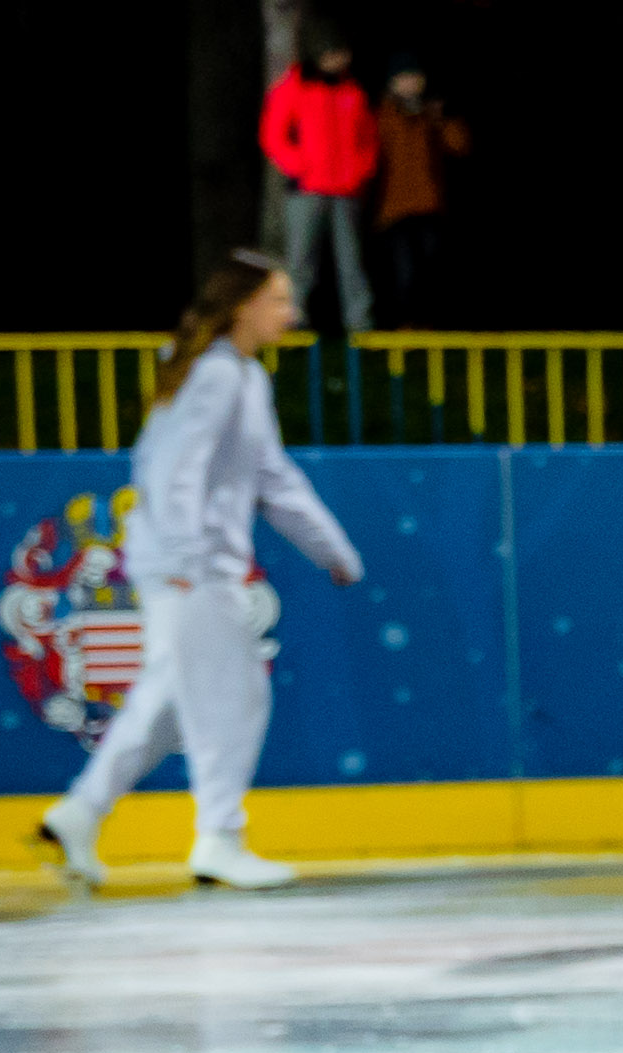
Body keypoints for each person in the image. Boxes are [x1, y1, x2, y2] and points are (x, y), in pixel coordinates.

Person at [35, 253, 369, 895]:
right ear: (244, 306)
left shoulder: (237, 376)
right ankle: (219, 837)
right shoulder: (217, 377)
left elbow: (273, 479)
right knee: (233, 696)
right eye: (279, 299)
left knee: (167, 698)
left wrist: (331, 549)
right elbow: (173, 471)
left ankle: (80, 812)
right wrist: (188, 559)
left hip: (184, 562)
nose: (291, 313)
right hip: (191, 567)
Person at [260, 33, 379, 335]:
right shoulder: (293, 87)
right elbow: (273, 135)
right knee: (300, 261)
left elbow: (368, 139)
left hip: (347, 190)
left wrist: (360, 173)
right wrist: (298, 166)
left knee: (352, 262)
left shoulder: (353, 89)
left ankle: (360, 325)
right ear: (318, 54)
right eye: (333, 53)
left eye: (343, 53)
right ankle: (293, 322)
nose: (340, 60)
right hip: (306, 188)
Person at [372, 59, 470, 327]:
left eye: (415, 76)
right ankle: (404, 326)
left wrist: (442, 117)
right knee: (403, 272)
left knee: (433, 269)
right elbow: (371, 155)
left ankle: (431, 325)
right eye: (403, 77)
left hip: (430, 207)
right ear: (392, 82)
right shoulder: (382, 114)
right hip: (394, 209)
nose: (410, 83)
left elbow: (460, 145)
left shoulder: (432, 113)